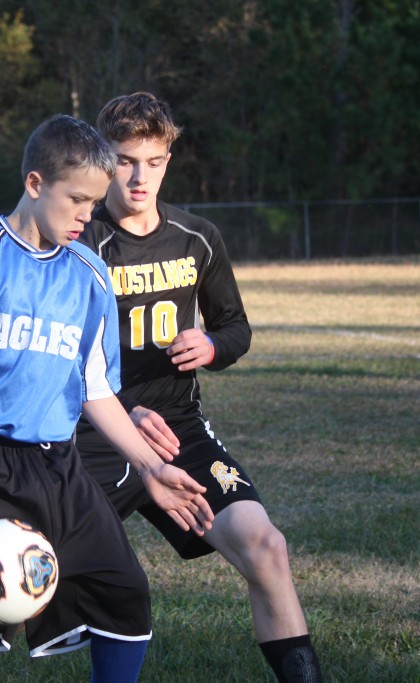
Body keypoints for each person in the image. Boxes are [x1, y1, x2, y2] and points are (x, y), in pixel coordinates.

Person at [0, 113, 214, 683]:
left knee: (124, 596)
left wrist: (150, 466)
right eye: (75, 199)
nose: (86, 216)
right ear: (34, 184)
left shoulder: (90, 275)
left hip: (57, 468)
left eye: (94, 204)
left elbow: (96, 390)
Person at [74, 92, 324, 683]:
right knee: (22, 575)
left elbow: (236, 328)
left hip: (180, 433)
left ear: (169, 159)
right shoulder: (79, 242)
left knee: (266, 547)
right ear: (104, 159)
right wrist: (120, 415)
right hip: (91, 437)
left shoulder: (198, 239)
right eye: (125, 160)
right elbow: (55, 360)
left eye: (154, 161)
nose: (139, 177)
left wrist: (212, 347)